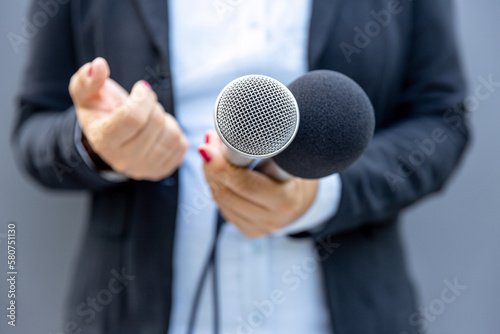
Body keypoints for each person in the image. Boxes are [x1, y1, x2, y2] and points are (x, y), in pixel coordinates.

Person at [12, 0, 469, 333]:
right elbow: (33, 129)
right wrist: (99, 143)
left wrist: (320, 195)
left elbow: (442, 123)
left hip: (344, 310)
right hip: (137, 311)